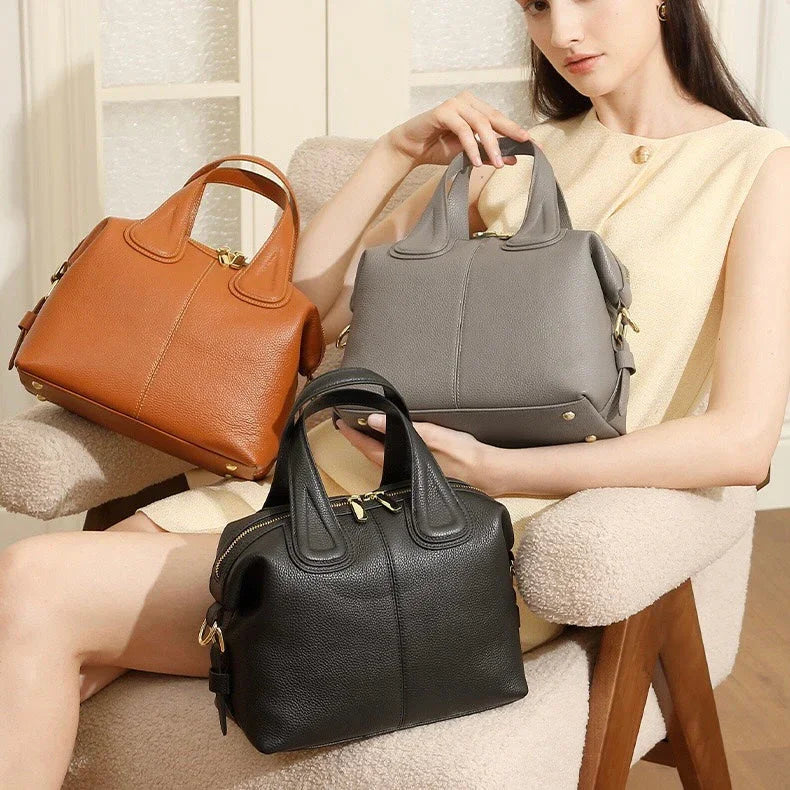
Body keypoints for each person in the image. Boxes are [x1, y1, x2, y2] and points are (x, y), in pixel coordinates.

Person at [2, 1, 789, 786]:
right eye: (539, 7)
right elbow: (305, 316)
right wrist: (396, 152)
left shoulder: (758, 170)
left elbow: (743, 442)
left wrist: (498, 470)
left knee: (35, 586)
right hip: (301, 483)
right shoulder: (509, 156)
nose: (564, 32)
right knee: (36, 643)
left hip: (464, 538)